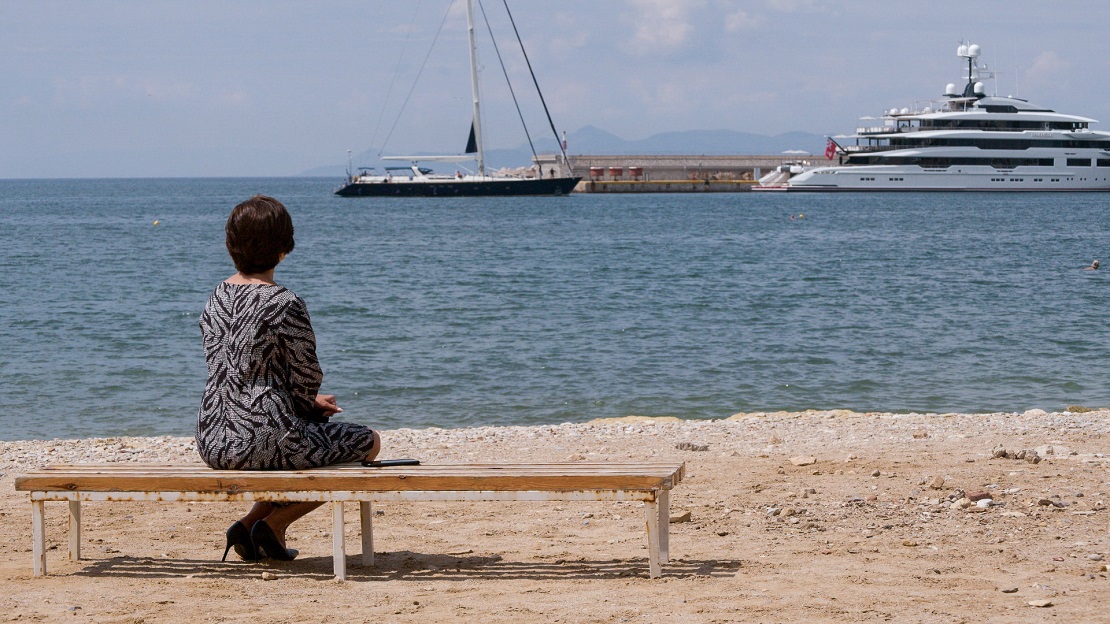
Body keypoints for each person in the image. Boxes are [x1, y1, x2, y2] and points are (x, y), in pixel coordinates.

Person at [196, 195, 380, 563]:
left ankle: (249, 524)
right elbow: (306, 376)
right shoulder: (284, 302)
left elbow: (236, 373)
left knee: (290, 443)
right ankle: (277, 522)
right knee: (369, 443)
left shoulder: (216, 296)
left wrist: (304, 403)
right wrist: (310, 402)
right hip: (261, 437)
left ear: (231, 244)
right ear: (284, 248)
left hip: (213, 437)